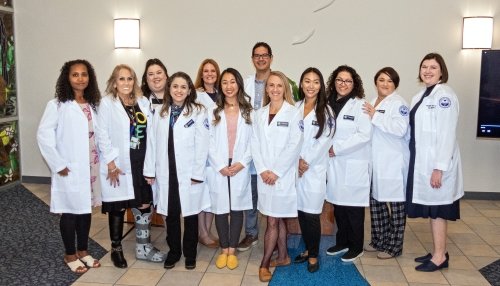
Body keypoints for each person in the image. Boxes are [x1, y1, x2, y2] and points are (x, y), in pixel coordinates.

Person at [37, 59, 108, 274]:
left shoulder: (93, 104)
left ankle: (83, 251)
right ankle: (70, 254)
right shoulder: (57, 105)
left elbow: (100, 135)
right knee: (69, 212)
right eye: (75, 74)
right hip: (69, 168)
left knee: (85, 211)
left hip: (90, 167)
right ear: (67, 78)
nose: (80, 78)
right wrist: (58, 164)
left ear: (90, 78)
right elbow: (43, 135)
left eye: (84, 74)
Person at [98, 64, 165, 269]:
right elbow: (102, 134)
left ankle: (142, 246)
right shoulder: (107, 103)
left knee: (144, 202)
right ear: (114, 82)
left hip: (141, 162)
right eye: (121, 79)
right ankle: (116, 249)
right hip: (119, 164)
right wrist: (110, 163)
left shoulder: (143, 102)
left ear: (134, 81)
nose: (126, 83)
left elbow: (151, 131)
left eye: (129, 79)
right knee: (117, 206)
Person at [143, 72, 210, 270]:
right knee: (171, 214)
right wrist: (149, 171)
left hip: (189, 173)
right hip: (166, 172)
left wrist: (198, 173)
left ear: (189, 90)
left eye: (183, 87)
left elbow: (203, 143)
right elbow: (152, 143)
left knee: (190, 215)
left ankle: (190, 254)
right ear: (169, 89)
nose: (179, 90)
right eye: (175, 86)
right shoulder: (160, 112)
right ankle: (174, 252)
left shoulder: (198, 111)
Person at [407, 53, 463, 272]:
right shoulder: (422, 94)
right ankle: (438, 251)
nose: (427, 71)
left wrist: (439, 168)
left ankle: (440, 256)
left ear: (442, 71)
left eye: (433, 67)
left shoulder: (445, 96)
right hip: (424, 162)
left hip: (438, 165)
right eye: (424, 67)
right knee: (433, 210)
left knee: (439, 210)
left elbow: (447, 134)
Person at [252, 71, 303, 282]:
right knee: (276, 216)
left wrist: (276, 172)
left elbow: (294, 145)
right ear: (266, 89)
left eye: (279, 86)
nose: (274, 89)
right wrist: (263, 170)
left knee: (272, 220)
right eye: (271, 85)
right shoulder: (259, 114)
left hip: (282, 177)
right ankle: (282, 257)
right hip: (265, 176)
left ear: (285, 89)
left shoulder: (293, 113)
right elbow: (254, 143)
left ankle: (264, 264)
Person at [207, 68, 253, 270]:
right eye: (224, 82)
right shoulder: (213, 111)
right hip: (220, 165)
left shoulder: (249, 111)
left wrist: (242, 163)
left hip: (239, 164)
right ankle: (223, 248)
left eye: (232, 81)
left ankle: (232, 250)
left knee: (236, 209)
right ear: (220, 86)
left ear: (239, 84)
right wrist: (219, 165)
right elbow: (207, 141)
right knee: (220, 208)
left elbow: (255, 141)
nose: (228, 86)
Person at [325, 65, 372, 262]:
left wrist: (338, 148)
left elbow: (364, 134)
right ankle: (342, 241)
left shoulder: (360, 105)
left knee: (353, 208)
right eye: (339, 80)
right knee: (339, 206)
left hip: (352, 162)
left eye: (348, 81)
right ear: (333, 82)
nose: (343, 84)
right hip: (334, 164)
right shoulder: (327, 104)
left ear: (354, 84)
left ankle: (356, 245)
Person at [362, 67, 409, 259]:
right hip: (376, 162)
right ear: (376, 82)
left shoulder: (399, 104)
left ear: (395, 84)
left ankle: (394, 247)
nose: (385, 84)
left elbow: (400, 129)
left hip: (393, 162)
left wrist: (376, 115)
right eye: (381, 80)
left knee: (396, 206)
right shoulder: (372, 102)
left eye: (389, 81)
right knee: (376, 204)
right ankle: (378, 240)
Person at [295, 67, 335, 273]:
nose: (311, 86)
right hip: (296, 169)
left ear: (321, 86)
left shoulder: (326, 111)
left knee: (311, 214)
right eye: (307, 81)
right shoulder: (294, 107)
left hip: (313, 170)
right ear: (301, 84)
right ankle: (308, 249)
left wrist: (305, 162)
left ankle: (313, 254)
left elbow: (324, 141)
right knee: (301, 212)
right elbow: (289, 139)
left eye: (316, 82)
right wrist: (296, 161)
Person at [238, 42, 273, 252]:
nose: (261, 59)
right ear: (252, 59)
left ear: (271, 57)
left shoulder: (279, 82)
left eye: (264, 55)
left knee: (272, 195)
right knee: (251, 194)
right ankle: (251, 233)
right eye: (257, 56)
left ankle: (274, 234)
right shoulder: (246, 84)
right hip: (251, 145)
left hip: (272, 150)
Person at [194, 58, 221, 248]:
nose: (209, 74)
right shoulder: (195, 95)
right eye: (206, 71)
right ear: (201, 74)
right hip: (201, 153)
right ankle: (201, 232)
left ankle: (208, 231)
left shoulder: (223, 94)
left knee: (212, 195)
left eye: (213, 71)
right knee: (201, 194)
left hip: (218, 153)